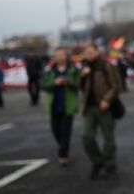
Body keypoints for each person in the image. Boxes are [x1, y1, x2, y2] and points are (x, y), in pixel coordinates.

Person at [80, 42, 122, 179]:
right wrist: (82, 76)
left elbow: (116, 86)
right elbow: (81, 88)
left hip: (104, 106)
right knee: (86, 136)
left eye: (91, 52)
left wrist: (107, 100)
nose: (88, 55)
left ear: (97, 52)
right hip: (89, 108)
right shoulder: (85, 68)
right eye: (86, 53)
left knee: (108, 138)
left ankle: (110, 164)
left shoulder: (106, 65)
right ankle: (98, 161)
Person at [41, 47, 80, 166]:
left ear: (66, 56)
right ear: (54, 57)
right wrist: (54, 83)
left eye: (62, 55)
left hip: (68, 105)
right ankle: (63, 147)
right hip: (54, 106)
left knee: (66, 131)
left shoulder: (73, 70)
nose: (60, 57)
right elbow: (43, 85)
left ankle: (63, 154)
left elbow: (78, 85)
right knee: (55, 130)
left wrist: (69, 82)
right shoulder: (50, 71)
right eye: (57, 55)